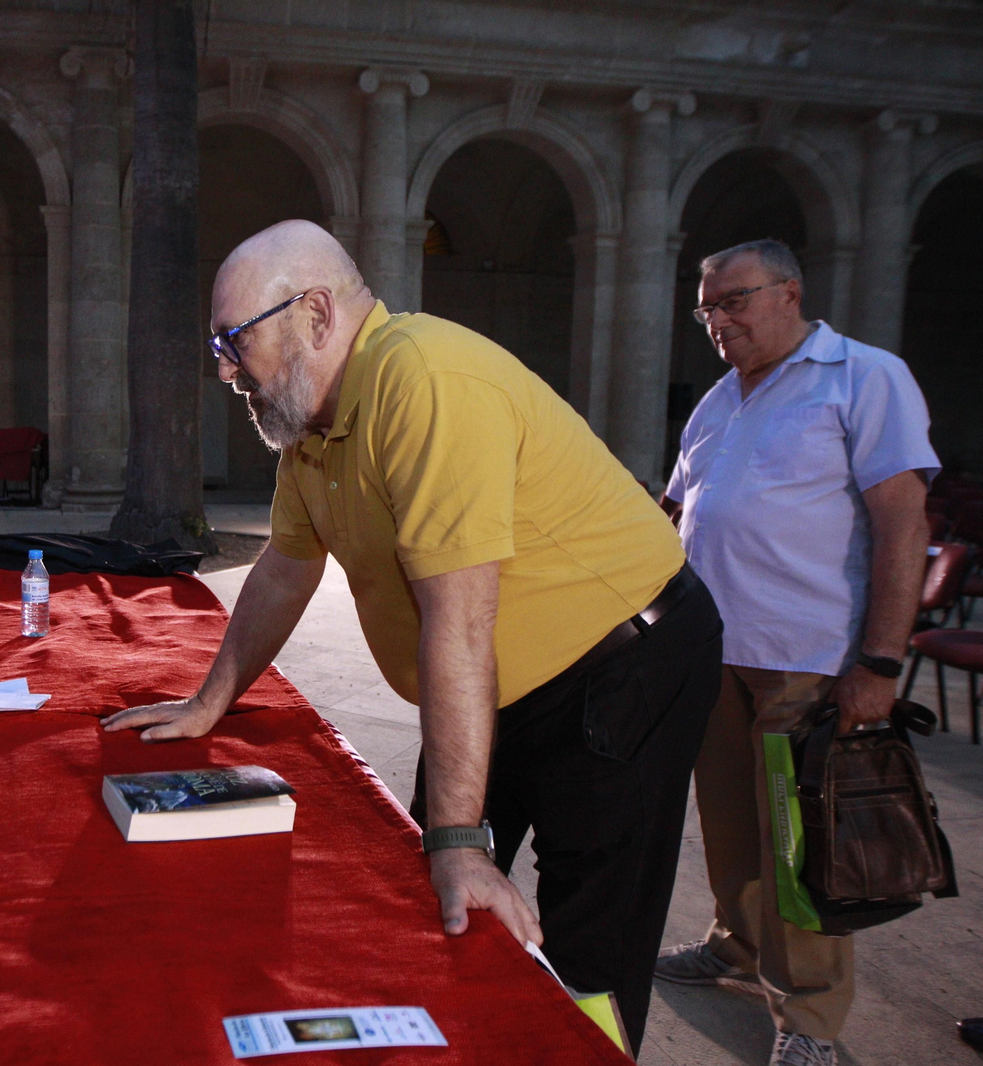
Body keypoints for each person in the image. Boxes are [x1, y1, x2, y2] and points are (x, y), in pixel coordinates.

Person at [103, 219, 724, 1053]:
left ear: (315, 314)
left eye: (233, 340)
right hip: (493, 682)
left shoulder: (424, 380)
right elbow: (285, 569)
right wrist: (209, 702)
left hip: (621, 663)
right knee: (434, 893)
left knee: (586, 947)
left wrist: (461, 841)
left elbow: (460, 624)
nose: (222, 369)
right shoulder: (310, 427)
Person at [654, 240, 936, 1066]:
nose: (719, 321)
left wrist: (880, 663)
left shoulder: (864, 377)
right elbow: (678, 514)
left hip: (806, 660)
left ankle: (810, 1015)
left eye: (734, 300)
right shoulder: (718, 399)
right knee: (730, 825)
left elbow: (902, 524)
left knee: (798, 842)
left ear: (789, 292)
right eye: (707, 308)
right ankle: (737, 945)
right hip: (714, 654)